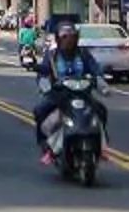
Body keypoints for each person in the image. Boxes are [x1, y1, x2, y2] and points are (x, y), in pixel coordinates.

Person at [35, 18, 105, 162]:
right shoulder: (52, 55)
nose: (69, 40)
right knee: (40, 110)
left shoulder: (83, 54)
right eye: (65, 37)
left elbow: (95, 68)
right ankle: (46, 146)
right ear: (58, 39)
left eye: (72, 37)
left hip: (82, 94)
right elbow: (43, 72)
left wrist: (99, 79)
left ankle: (101, 146)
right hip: (59, 95)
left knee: (101, 110)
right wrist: (44, 84)